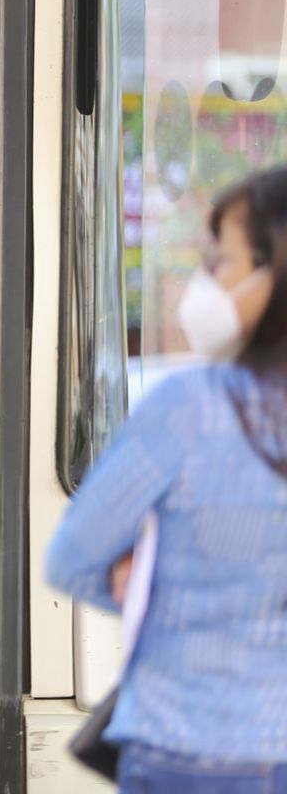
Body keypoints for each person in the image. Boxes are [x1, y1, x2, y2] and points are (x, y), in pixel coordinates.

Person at [46, 166, 287, 792]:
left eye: (223, 259)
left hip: (190, 742)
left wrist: (153, 589)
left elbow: (73, 559)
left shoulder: (190, 407)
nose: (206, 279)